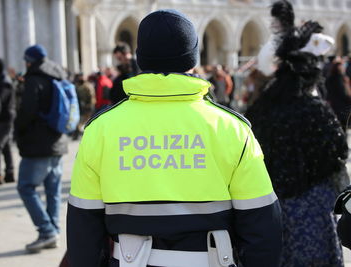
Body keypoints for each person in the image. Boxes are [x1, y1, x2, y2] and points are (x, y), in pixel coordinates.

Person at [67, 9, 282, 267]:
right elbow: (262, 226)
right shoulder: (231, 128)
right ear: (192, 58)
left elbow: (83, 231)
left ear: (141, 58)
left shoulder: (100, 129)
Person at [245, 1, 348, 266]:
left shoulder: (260, 110)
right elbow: (338, 153)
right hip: (313, 210)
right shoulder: (314, 110)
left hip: (270, 210)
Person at [15, 45, 68, 253]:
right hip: (58, 142)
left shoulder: (34, 80)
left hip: (38, 145)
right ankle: (53, 231)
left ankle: (47, 231)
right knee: (52, 190)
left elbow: (27, 113)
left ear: (29, 61)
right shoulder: (57, 76)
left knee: (25, 187)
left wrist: (18, 130)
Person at [325, 59, 351, 131]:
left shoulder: (329, 78)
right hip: (342, 106)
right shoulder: (341, 79)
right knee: (343, 127)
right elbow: (344, 93)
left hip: (333, 105)